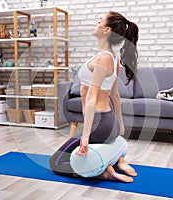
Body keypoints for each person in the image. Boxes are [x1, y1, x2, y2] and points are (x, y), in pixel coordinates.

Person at [50, 11, 139, 182]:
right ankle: (118, 159)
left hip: (98, 125)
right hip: (108, 123)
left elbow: (91, 98)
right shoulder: (113, 59)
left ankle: (101, 171)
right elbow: (115, 96)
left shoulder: (102, 59)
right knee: (88, 150)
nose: (96, 24)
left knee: (57, 161)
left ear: (106, 30)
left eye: (99, 21)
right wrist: (120, 124)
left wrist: (85, 136)